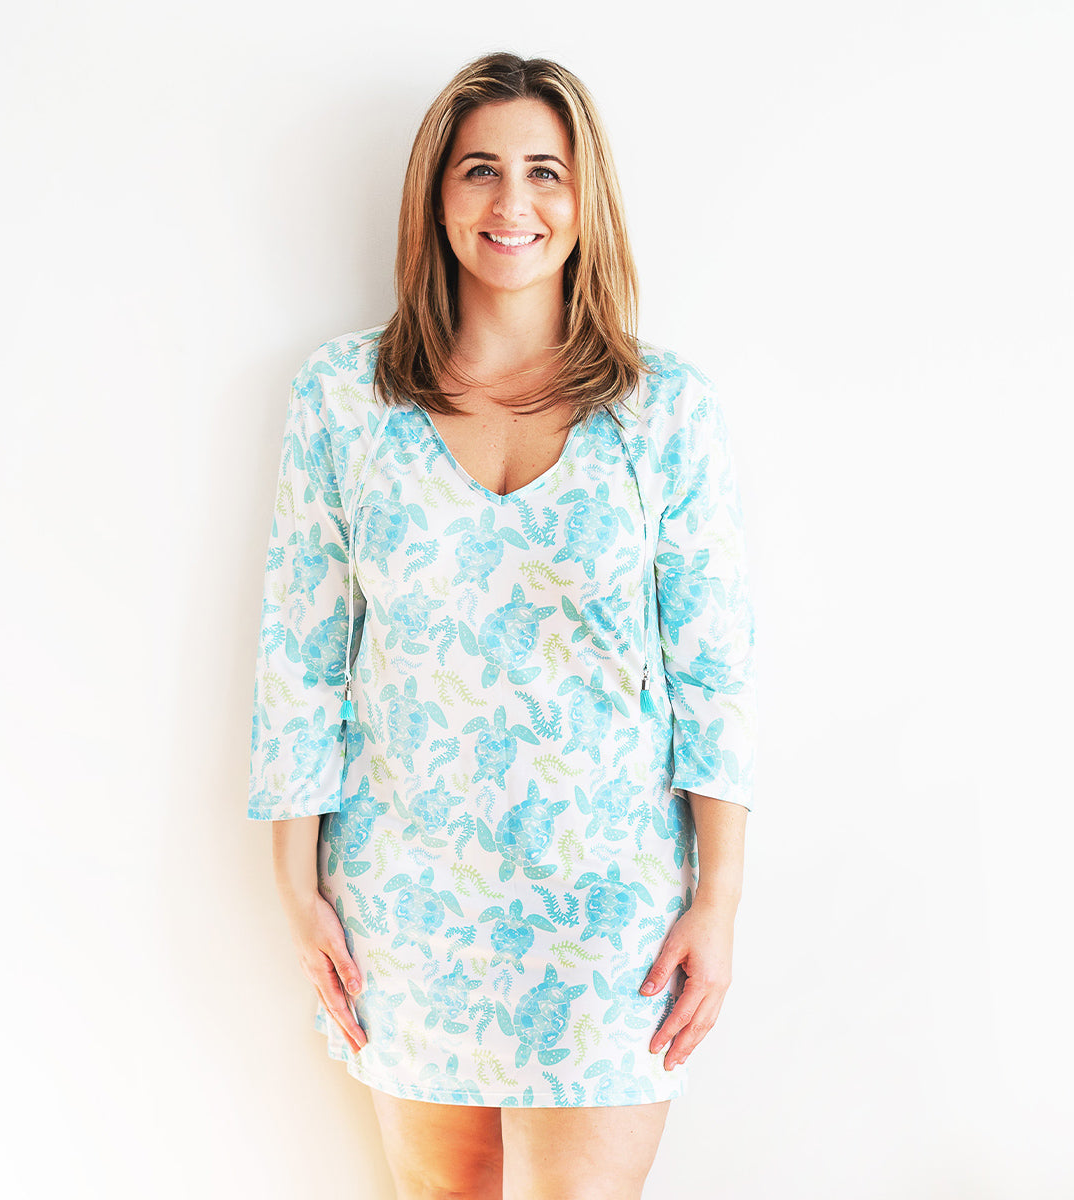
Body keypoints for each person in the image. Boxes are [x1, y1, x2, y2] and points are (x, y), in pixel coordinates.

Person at [248, 51, 757, 1200]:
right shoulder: (344, 398)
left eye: (545, 172)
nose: (512, 202)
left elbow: (715, 672)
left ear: (585, 201)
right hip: (404, 901)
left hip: (611, 912)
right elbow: (300, 652)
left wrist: (719, 903)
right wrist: (295, 887)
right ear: (437, 195)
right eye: (480, 169)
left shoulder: (664, 409)